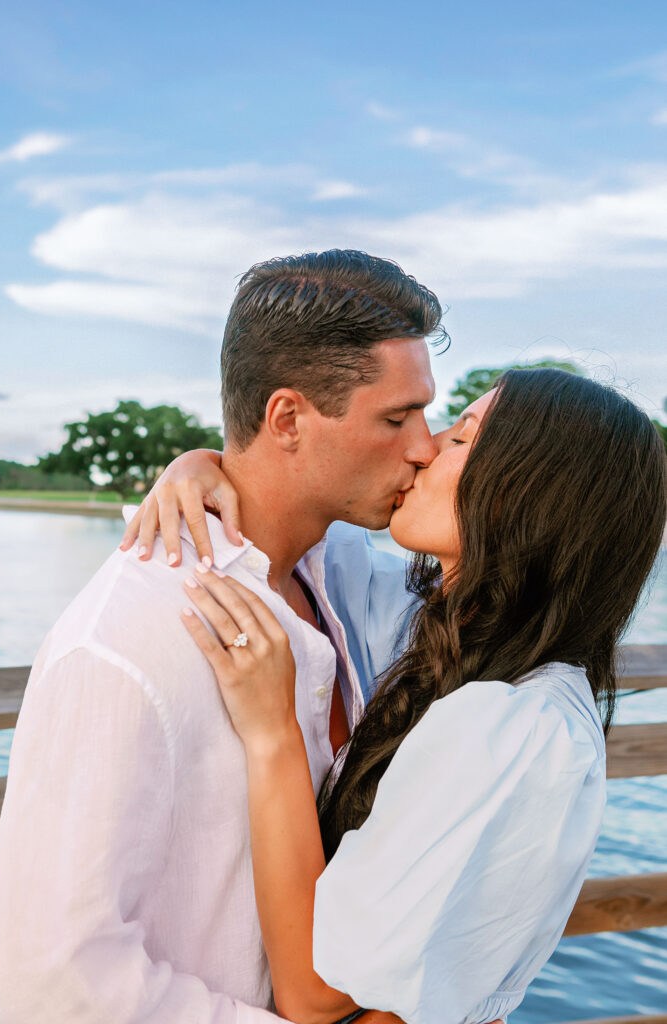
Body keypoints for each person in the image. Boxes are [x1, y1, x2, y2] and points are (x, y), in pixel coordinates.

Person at [0, 250, 447, 1024]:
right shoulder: (122, 646)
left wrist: (199, 461)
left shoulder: (338, 572)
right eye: (396, 418)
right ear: (288, 419)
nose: (423, 446)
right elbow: (52, 981)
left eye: (425, 414)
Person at [128, 369, 666, 1024]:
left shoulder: (514, 721)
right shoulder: (443, 630)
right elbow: (303, 529)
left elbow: (318, 996)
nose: (423, 446)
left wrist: (273, 733)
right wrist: (202, 466)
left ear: (522, 497)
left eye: (461, 437)